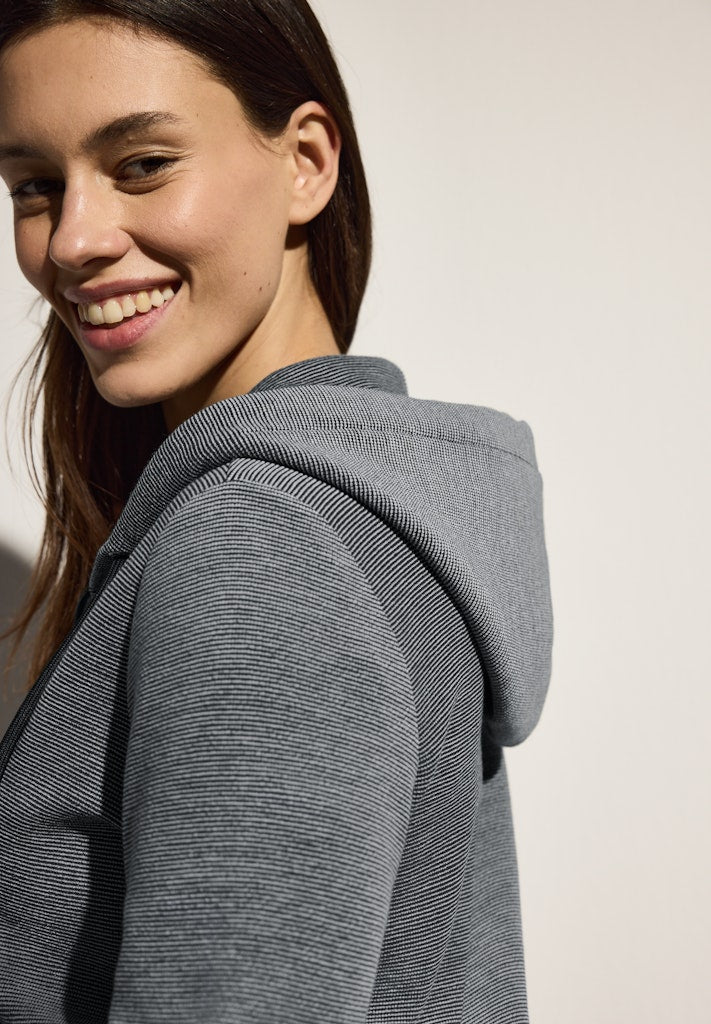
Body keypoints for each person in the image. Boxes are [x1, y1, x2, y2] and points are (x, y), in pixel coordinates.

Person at [0, 2, 554, 1022]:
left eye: (141, 164)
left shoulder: (261, 545)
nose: (71, 239)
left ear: (306, 163)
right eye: (35, 185)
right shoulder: (347, 512)